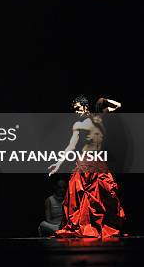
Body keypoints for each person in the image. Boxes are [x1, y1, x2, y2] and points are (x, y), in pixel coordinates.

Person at [48, 95, 126, 238]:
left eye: (77, 108)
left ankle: (101, 226)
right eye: (74, 109)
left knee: (106, 194)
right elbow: (71, 145)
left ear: (85, 106)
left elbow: (118, 105)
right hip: (84, 162)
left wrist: (103, 100)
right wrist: (58, 163)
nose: (76, 112)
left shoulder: (100, 117)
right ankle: (86, 227)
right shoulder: (78, 125)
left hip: (99, 162)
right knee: (79, 197)